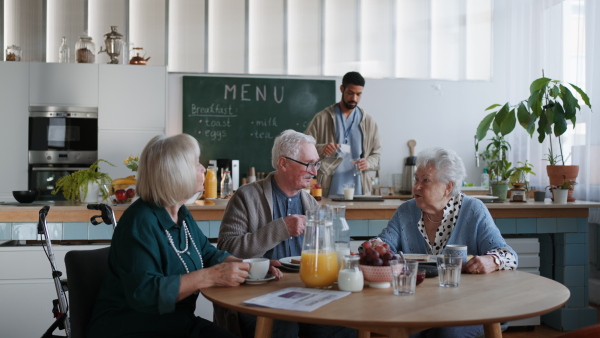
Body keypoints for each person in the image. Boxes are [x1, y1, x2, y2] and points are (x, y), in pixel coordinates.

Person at [86, 134, 282, 338]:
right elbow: (145, 294)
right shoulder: (139, 222)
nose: (203, 169)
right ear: (177, 173)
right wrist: (209, 276)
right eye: (196, 163)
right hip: (132, 328)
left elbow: (207, 254)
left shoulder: (181, 214)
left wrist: (250, 266)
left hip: (178, 324)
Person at [216, 129, 356, 338]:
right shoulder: (246, 197)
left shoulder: (311, 204)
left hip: (304, 293)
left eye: (316, 164)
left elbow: (324, 256)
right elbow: (227, 250)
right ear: (283, 163)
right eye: (309, 164)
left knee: (345, 327)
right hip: (257, 295)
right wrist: (281, 229)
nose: (315, 171)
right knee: (283, 329)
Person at [375, 147, 518, 338]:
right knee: (406, 331)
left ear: (448, 187)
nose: (416, 187)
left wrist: (491, 260)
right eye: (416, 179)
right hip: (419, 303)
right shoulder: (406, 211)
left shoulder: (473, 210)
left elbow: (508, 255)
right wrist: (374, 246)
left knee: (446, 333)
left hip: (470, 304)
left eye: (425, 181)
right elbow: (384, 244)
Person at [305, 71, 381, 197]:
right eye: (350, 93)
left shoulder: (369, 122)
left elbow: (376, 154)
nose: (354, 98)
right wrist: (322, 148)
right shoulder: (322, 118)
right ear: (342, 89)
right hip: (328, 190)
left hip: (360, 190)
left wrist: (368, 163)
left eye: (358, 94)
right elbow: (305, 150)